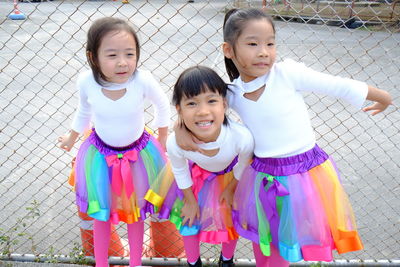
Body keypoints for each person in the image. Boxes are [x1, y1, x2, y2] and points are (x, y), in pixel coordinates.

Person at [177, 7, 393, 266]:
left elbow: (337, 85)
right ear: (229, 50)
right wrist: (180, 128)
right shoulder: (232, 94)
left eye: (270, 43)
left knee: (289, 241)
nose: (264, 52)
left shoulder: (288, 74)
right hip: (261, 176)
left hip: (304, 175)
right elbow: (204, 110)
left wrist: (383, 96)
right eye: (253, 44)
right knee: (264, 241)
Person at [57, 17, 171, 267]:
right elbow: (83, 112)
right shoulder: (87, 81)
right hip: (100, 155)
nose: (122, 62)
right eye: (112, 55)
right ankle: (101, 261)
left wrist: (162, 138)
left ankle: (135, 262)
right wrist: (71, 137)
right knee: (100, 211)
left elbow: (162, 105)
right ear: (93, 57)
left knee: (136, 211)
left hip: (139, 155)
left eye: (130, 54)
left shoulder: (143, 80)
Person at [145, 66, 254, 267]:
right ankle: (193, 262)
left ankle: (227, 260)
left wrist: (231, 190)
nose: (203, 111)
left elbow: (245, 162)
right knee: (189, 217)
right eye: (192, 103)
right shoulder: (176, 142)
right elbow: (179, 169)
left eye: (211, 101)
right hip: (194, 178)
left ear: (224, 103)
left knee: (230, 218)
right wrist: (190, 200)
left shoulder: (241, 137)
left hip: (231, 177)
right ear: (179, 109)